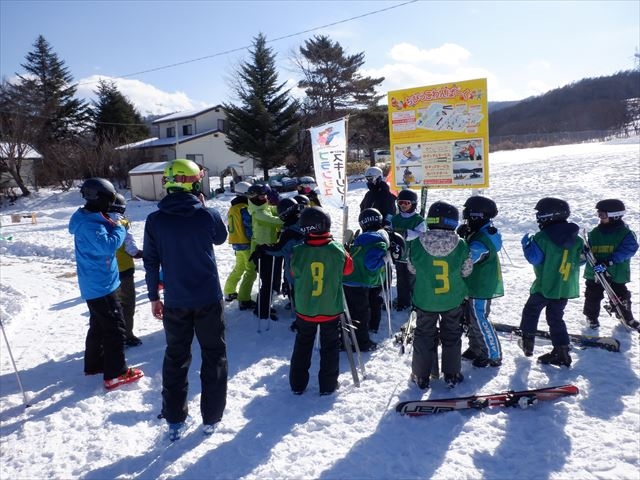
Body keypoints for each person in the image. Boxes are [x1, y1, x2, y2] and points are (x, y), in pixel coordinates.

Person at [143, 159, 228, 441]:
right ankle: (212, 417)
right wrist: (203, 208)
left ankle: (175, 419)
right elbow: (220, 238)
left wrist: (154, 295)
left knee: (176, 357)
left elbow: (151, 261)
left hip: (176, 300)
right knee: (213, 355)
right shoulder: (207, 214)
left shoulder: (155, 220)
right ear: (193, 183)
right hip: (208, 298)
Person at [68, 178, 143, 390]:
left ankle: (94, 364)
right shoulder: (91, 224)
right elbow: (107, 246)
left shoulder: (89, 217)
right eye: (109, 201)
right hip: (100, 285)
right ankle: (116, 374)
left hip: (96, 281)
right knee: (115, 328)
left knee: (98, 324)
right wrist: (119, 227)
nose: (111, 205)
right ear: (99, 199)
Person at [407, 201, 472, 390]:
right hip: (452, 299)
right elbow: (466, 271)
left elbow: (412, 268)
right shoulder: (460, 244)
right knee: (452, 334)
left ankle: (421, 375)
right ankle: (451, 373)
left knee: (423, 335)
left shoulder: (417, 243)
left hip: (425, 299)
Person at [289, 207, 353, 395]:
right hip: (330, 308)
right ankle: (328, 385)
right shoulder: (337, 249)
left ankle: (297, 384)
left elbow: (294, 273)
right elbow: (348, 270)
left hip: (305, 308)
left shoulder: (298, 251)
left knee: (302, 345)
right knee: (330, 347)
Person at [519, 197, 584, 367]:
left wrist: (527, 245)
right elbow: (581, 260)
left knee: (531, 312)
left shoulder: (542, 237)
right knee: (555, 318)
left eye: (540, 214)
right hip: (564, 287)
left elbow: (534, 259)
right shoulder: (577, 239)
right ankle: (562, 352)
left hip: (544, 286)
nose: (538, 217)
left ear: (549, 215)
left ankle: (527, 344)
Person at [457, 195, 503, 368]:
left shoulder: (482, 240)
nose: (466, 219)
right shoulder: (479, 232)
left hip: (481, 286)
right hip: (473, 284)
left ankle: (493, 354)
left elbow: (467, 259)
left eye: (468, 216)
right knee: (470, 319)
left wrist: (460, 245)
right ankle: (476, 348)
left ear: (477, 216)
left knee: (479, 319)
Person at [583, 199, 638, 329]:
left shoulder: (625, 234)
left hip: (616, 273)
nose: (600, 218)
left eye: (603, 215)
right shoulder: (594, 233)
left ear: (615, 216)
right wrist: (583, 252)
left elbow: (629, 249)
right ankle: (591, 317)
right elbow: (586, 251)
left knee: (621, 296)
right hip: (595, 273)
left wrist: (609, 261)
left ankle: (626, 317)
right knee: (592, 296)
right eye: (599, 215)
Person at [343, 208, 389, 350]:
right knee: (360, 313)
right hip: (358, 281)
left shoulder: (360, 240)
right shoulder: (378, 243)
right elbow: (371, 264)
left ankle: (344, 338)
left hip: (348, 278)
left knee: (350, 311)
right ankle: (362, 343)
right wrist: (385, 259)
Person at [108, 193, 144, 347]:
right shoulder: (122, 222)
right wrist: (142, 253)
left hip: (107, 271)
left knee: (111, 306)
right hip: (124, 270)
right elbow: (131, 249)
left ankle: (112, 336)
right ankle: (127, 335)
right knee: (127, 304)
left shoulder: (99, 220)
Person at [246, 183, 283, 320]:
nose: (265, 198)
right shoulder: (259, 213)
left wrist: (287, 208)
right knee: (267, 281)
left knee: (270, 279)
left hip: (269, 248)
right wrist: (289, 220)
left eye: (266, 195)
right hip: (262, 251)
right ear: (255, 198)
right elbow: (275, 221)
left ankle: (265, 305)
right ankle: (261, 310)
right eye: (262, 196)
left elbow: (274, 210)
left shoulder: (264, 208)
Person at [390, 189, 426, 311]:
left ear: (413, 204)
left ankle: (416, 301)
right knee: (401, 280)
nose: (403, 206)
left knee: (412, 280)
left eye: (407, 203)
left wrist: (404, 233)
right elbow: (390, 233)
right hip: (399, 255)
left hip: (412, 256)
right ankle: (403, 301)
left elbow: (421, 235)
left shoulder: (418, 220)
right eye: (400, 203)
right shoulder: (395, 219)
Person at [222, 181, 253, 304]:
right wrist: (254, 239)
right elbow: (248, 226)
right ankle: (244, 298)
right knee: (251, 270)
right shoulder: (243, 208)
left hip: (237, 243)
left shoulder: (233, 208)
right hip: (245, 242)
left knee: (239, 267)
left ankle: (229, 291)